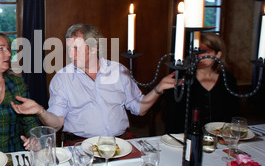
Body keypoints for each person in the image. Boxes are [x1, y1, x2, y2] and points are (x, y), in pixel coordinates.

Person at [11, 23, 179, 144]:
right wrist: (40, 111)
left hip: (120, 143)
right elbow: (56, 124)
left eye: (76, 48)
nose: (70, 54)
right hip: (79, 145)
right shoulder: (62, 78)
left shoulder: (119, 71)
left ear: (94, 48)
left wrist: (159, 88)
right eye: (69, 48)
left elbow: (140, 109)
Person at [164, 33, 240, 133]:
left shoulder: (228, 79)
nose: (199, 56)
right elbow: (171, 118)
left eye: (205, 51)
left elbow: (234, 115)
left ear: (218, 54)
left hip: (221, 138)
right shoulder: (181, 80)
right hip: (186, 138)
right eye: (197, 51)